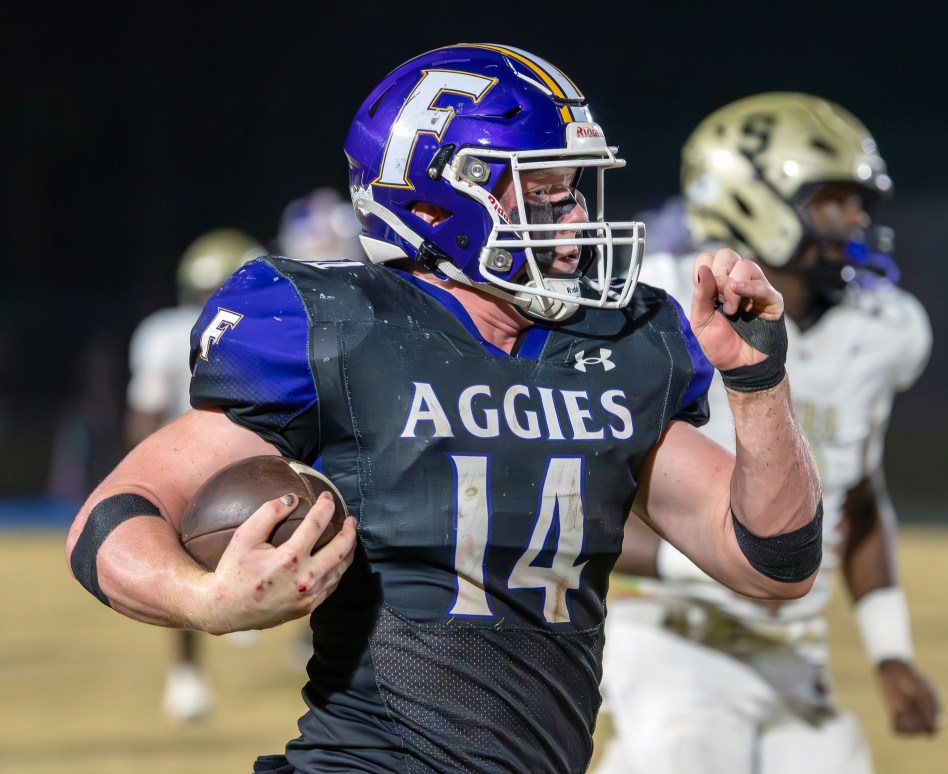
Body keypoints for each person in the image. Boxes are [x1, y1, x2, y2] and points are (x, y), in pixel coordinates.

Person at [66, 45, 822, 773]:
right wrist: (204, 598)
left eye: (572, 188)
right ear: (434, 202)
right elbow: (115, 513)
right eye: (540, 190)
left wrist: (759, 382)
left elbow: (772, 563)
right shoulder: (343, 330)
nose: (571, 218)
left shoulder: (616, 345)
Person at [595, 92, 942, 774]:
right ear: (751, 200)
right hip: (670, 634)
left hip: (792, 650)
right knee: (688, 755)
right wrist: (719, 559)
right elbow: (583, 485)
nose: (855, 219)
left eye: (857, 201)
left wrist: (890, 650)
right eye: (831, 200)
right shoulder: (657, 302)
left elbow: (856, 497)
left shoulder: (884, 328)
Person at [123, 227, 265, 721]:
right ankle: (187, 675)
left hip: (237, 461)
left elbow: (142, 410)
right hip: (206, 463)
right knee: (181, 571)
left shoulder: (168, 331)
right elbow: (147, 410)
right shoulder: (174, 333)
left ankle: (192, 673)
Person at [275, 186, 363, 263]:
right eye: (321, 210)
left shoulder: (346, 230)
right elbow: (294, 251)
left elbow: (352, 257)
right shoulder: (300, 227)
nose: (323, 218)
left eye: (327, 210)